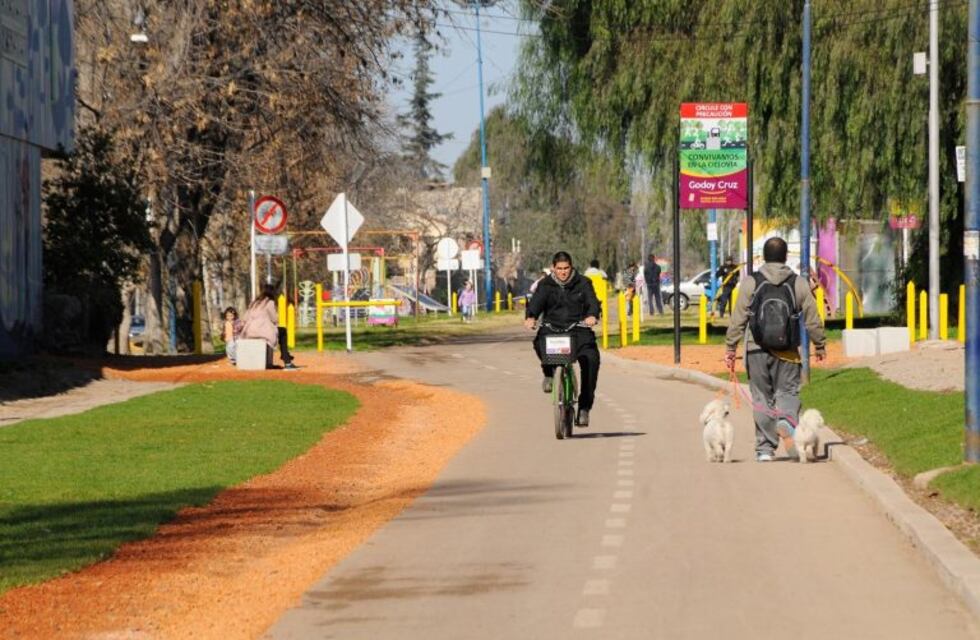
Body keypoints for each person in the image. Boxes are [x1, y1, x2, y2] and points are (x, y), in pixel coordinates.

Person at [725, 237, 825, 461]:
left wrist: (731, 347)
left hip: (756, 349)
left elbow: (738, 318)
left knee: (762, 398)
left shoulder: (751, 282)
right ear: (785, 256)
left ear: (764, 256)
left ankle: (764, 449)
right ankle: (787, 421)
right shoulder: (798, 283)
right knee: (788, 392)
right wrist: (819, 344)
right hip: (788, 351)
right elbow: (812, 317)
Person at [524, 251, 601, 427]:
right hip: (552, 329)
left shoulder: (583, 283)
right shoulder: (545, 284)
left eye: (566, 268)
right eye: (559, 268)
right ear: (553, 268)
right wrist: (531, 317)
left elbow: (592, 302)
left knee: (591, 360)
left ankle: (584, 408)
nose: (563, 272)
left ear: (571, 267)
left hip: (579, 329)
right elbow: (535, 304)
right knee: (539, 343)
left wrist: (592, 316)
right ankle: (549, 373)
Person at [241, 283, 297, 370]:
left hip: (248, 332)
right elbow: (274, 319)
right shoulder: (269, 302)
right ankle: (286, 360)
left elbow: (245, 318)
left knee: (279, 331)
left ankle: (284, 357)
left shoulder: (253, 303)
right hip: (261, 332)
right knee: (283, 331)